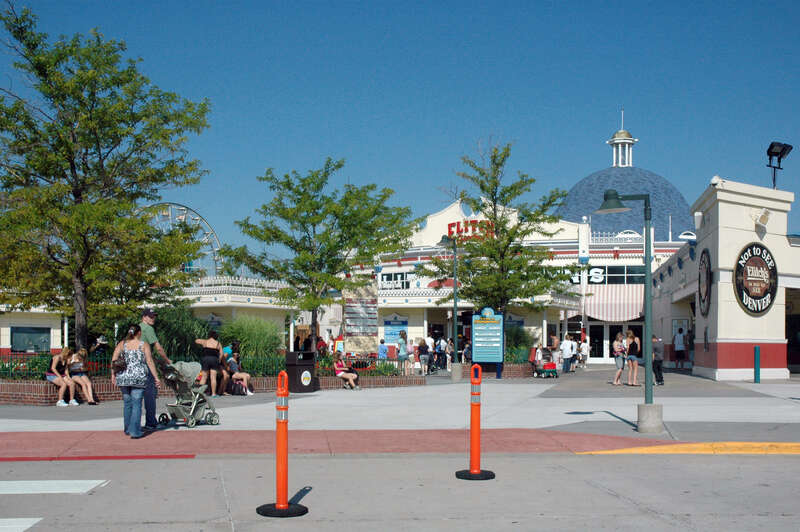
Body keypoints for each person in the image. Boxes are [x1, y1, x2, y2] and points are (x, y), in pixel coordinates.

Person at [112, 324, 160, 439]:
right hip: (139, 377)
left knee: (127, 403)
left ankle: (128, 428)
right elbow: (149, 361)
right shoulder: (143, 345)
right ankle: (135, 431)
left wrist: (113, 374)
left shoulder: (122, 344)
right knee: (136, 403)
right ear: (139, 333)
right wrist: (156, 377)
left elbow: (114, 359)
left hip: (124, 377)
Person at [140, 308, 171, 431]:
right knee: (150, 394)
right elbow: (158, 348)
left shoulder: (137, 329)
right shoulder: (148, 329)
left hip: (134, 365)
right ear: (144, 317)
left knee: (135, 396)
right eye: (150, 316)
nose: (153, 319)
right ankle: (151, 422)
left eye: (154, 316)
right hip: (145, 364)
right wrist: (167, 360)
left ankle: (132, 424)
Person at [195, 331, 225, 397]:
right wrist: (219, 360)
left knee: (204, 377)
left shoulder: (205, 341)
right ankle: (213, 393)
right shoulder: (218, 343)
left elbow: (196, 341)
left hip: (206, 359)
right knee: (213, 377)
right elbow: (221, 354)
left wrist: (203, 341)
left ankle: (199, 394)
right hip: (214, 359)